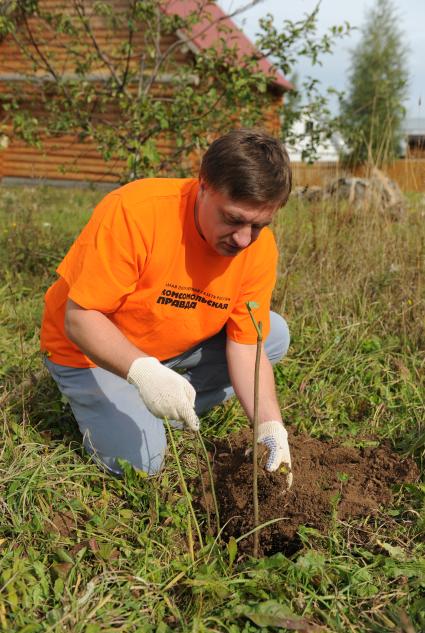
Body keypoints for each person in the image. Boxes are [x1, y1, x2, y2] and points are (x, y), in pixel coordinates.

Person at [40, 128, 293, 487]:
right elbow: (79, 320)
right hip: (87, 352)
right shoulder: (137, 212)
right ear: (203, 185)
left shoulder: (257, 248)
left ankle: (162, 402)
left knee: (274, 334)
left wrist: (269, 427)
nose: (243, 239)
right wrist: (143, 373)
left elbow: (246, 343)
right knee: (143, 463)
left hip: (169, 350)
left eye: (258, 225)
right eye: (234, 219)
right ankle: (118, 398)